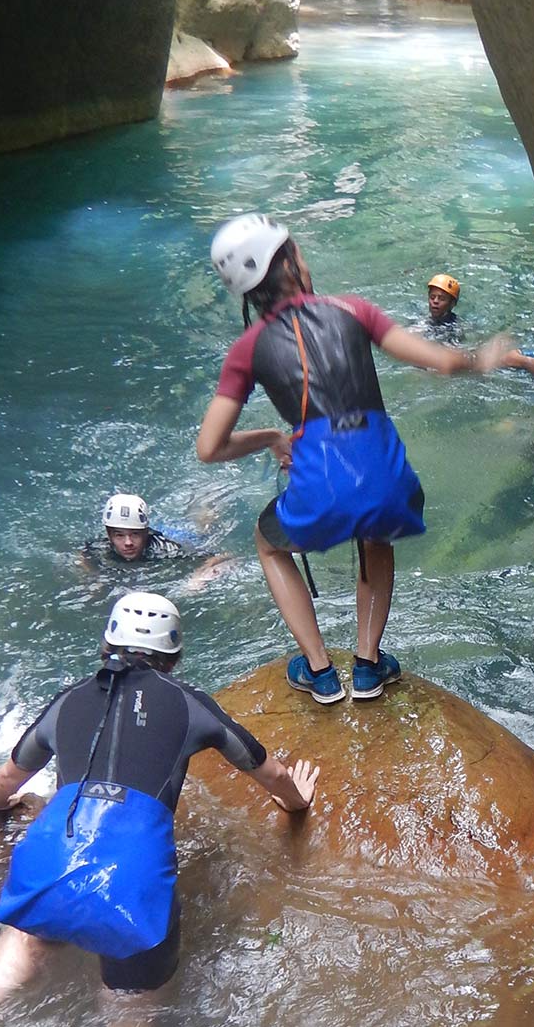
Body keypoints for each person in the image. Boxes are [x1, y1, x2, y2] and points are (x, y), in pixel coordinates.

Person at [0, 591, 319, 1027]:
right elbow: (271, 774)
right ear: (174, 655)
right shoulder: (191, 706)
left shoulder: (69, 699)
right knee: (128, 1000)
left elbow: (6, 783)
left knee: (29, 931)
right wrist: (297, 799)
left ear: (107, 644)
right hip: (131, 876)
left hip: (54, 855)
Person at [198, 214, 516, 705]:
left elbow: (209, 447)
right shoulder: (352, 309)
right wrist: (483, 358)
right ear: (287, 263)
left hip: (320, 483)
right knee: (376, 532)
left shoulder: (247, 348)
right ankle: (368, 666)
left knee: (268, 543)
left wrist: (268, 437)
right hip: (387, 479)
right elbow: (444, 361)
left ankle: (321, 672)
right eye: (297, 251)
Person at [81, 491, 231, 590]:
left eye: (135, 534)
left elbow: (222, 556)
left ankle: (206, 509)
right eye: (119, 535)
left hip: (179, 535)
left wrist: (199, 576)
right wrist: (94, 576)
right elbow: (83, 555)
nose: (128, 542)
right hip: (159, 529)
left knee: (203, 531)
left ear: (145, 532)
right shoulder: (99, 546)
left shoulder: (167, 549)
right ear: (109, 534)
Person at [422, 271, 534, 377]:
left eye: (442, 298)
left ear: (452, 304)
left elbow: (476, 352)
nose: (435, 301)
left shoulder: (461, 328)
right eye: (432, 297)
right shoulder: (421, 324)